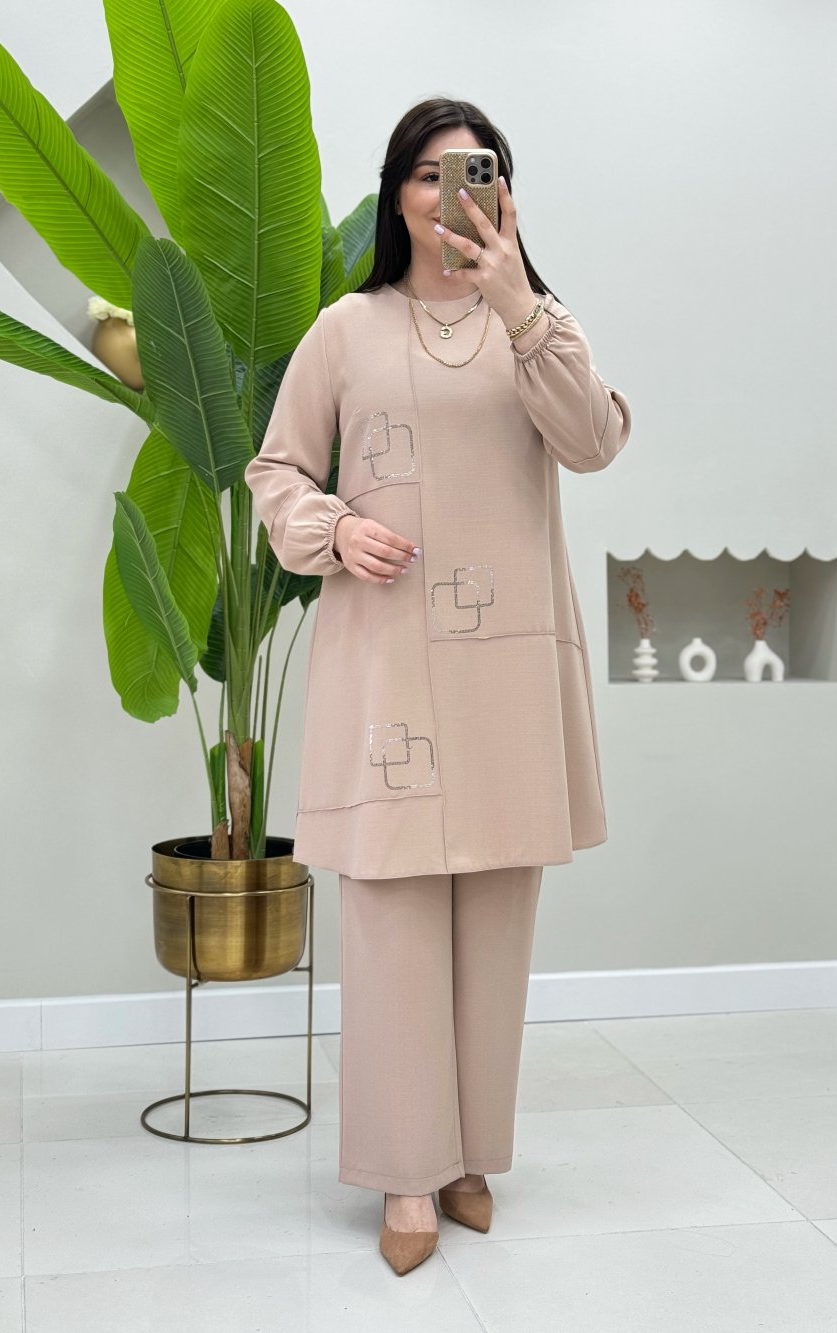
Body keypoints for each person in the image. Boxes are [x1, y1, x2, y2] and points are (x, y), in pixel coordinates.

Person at [243, 97, 632, 1275]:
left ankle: (466, 1153)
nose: (449, 193)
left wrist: (519, 305)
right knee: (395, 921)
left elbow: (593, 442)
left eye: (475, 172)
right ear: (396, 196)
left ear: (503, 195)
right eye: (426, 173)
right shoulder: (345, 330)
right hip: (389, 664)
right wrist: (334, 528)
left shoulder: (539, 328)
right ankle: (406, 1170)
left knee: (495, 925)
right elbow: (275, 471)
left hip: (506, 665)